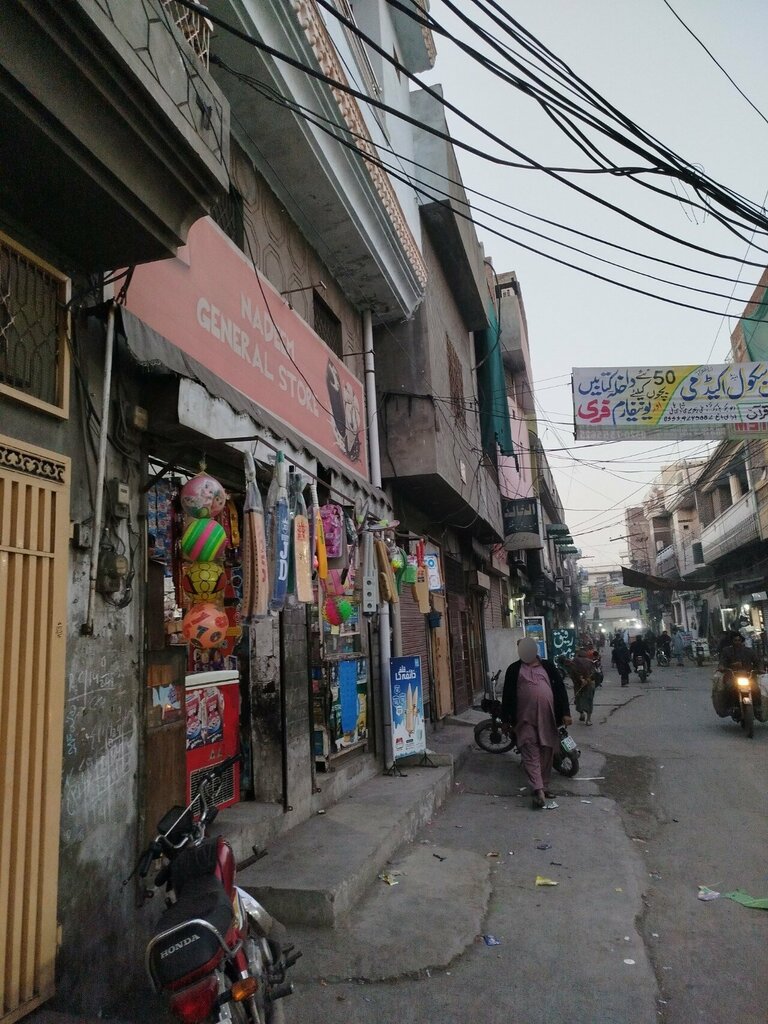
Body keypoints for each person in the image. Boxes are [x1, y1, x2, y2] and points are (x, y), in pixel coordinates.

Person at [502, 638, 572, 809]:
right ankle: (538, 789)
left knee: (547, 752)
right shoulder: (513, 669)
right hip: (524, 719)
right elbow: (508, 695)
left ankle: (543, 785)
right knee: (529, 750)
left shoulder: (547, 666)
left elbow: (559, 689)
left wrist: (565, 713)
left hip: (548, 718)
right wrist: (506, 720)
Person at [562, 649, 596, 725]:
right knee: (585, 701)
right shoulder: (588, 662)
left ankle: (584, 716)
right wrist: (584, 680)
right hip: (584, 685)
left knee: (581, 701)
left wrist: (583, 680)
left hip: (583, 685)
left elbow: (594, 674)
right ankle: (586, 718)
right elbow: (594, 674)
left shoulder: (576, 662)